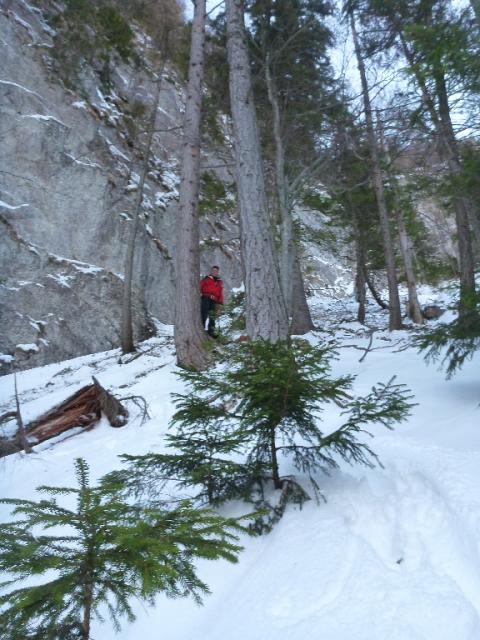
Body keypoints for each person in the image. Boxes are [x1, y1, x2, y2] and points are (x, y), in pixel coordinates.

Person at [200, 265, 224, 337]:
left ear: (218, 272)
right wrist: (202, 294)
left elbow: (220, 292)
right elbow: (199, 286)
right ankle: (202, 329)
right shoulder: (206, 279)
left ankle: (211, 331)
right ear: (211, 271)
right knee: (204, 314)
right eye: (213, 270)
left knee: (212, 316)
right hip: (206, 298)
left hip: (214, 301)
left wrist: (220, 303)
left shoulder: (219, 282)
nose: (214, 272)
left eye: (216, 271)